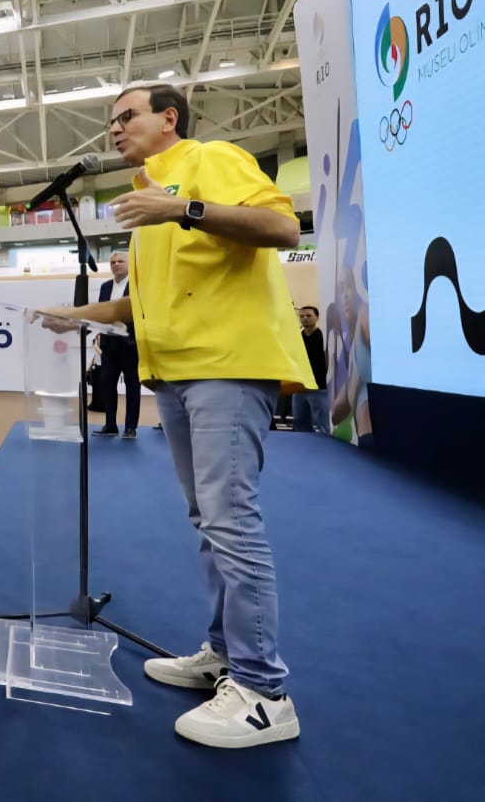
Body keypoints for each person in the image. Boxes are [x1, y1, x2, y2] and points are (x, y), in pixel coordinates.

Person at [39, 82, 310, 749]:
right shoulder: (145, 205)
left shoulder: (208, 161)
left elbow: (282, 228)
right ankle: (225, 657)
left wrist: (182, 207)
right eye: (110, 120)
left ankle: (263, 692)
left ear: (169, 118)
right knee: (208, 519)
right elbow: (143, 305)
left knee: (229, 518)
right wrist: (72, 315)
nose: (114, 128)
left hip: (225, 362)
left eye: (126, 115)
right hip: (177, 373)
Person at [94, 250, 140, 438]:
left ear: (128, 264)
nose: (116, 265)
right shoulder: (105, 287)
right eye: (113, 262)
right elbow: (102, 312)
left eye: (120, 261)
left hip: (130, 344)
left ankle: (130, 427)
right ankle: (110, 425)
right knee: (107, 383)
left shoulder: (137, 286)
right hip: (109, 344)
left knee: (132, 385)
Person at [292, 307, 330, 435]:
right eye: (302, 316)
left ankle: (325, 449)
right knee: (299, 420)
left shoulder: (323, 337)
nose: (305, 318)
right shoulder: (297, 337)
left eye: (308, 315)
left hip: (318, 386)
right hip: (299, 385)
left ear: (317, 317)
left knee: (321, 422)